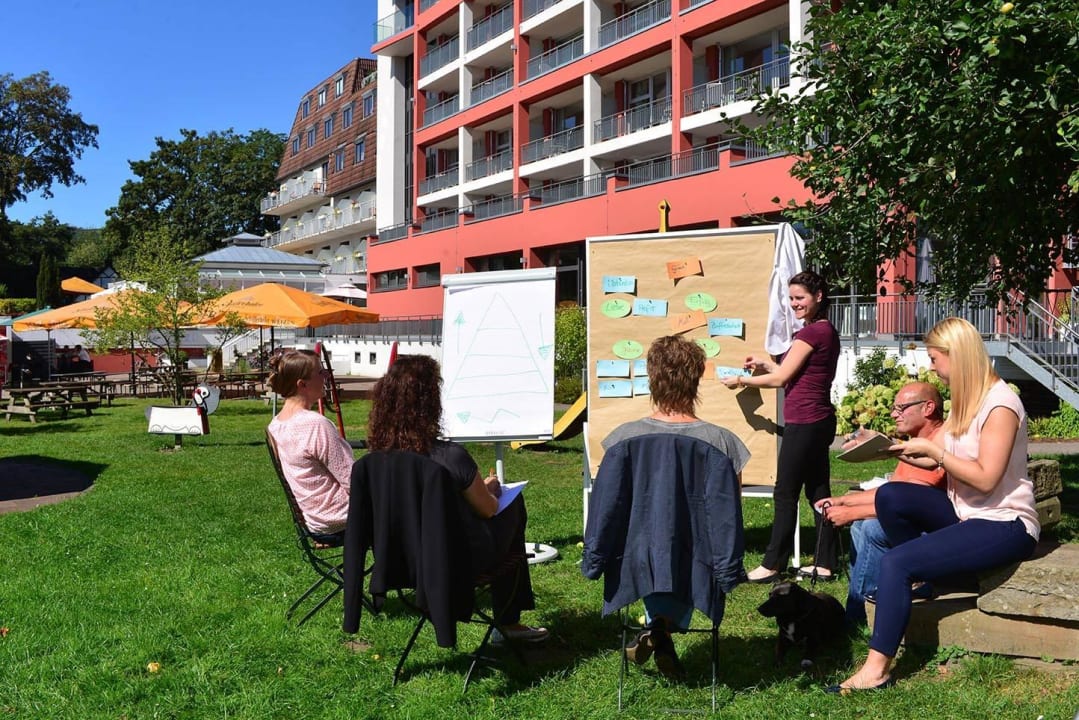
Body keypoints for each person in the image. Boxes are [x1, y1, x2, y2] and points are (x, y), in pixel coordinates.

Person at [829, 317, 1039, 693]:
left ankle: (876, 671)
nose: (931, 367)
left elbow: (986, 477)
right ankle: (930, 578)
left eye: (934, 358)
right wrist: (898, 450)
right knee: (891, 496)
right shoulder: (968, 401)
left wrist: (935, 452)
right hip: (965, 514)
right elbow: (944, 460)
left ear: (957, 357)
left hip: (1004, 523)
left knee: (897, 561)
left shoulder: (1001, 405)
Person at [593, 335, 750, 676]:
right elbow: (729, 512)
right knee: (678, 554)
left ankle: (658, 627)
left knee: (658, 553)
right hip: (699, 556)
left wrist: (596, 556)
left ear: (652, 378)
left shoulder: (621, 439)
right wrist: (728, 568)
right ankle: (662, 629)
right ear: (696, 380)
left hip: (637, 556)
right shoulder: (722, 442)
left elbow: (605, 508)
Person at [365, 354, 547, 643]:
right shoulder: (450, 458)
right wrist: (490, 489)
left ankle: (509, 622)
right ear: (430, 402)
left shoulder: (375, 460)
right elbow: (488, 510)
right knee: (512, 508)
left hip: (399, 560)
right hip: (455, 560)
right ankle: (509, 622)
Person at [720, 270, 840, 581]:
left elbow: (781, 379)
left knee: (785, 492)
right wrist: (766, 364)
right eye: (790, 298)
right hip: (818, 420)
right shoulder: (824, 331)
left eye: (799, 298)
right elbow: (793, 373)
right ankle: (826, 563)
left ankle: (772, 564)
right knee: (818, 491)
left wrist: (741, 379)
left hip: (805, 422)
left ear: (818, 297)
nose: (794, 304)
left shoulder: (811, 334)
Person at [819, 382, 946, 626]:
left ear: (928, 408)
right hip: (915, 523)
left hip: (941, 532)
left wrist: (851, 513)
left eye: (901, 408)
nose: (893, 414)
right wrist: (843, 501)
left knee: (871, 528)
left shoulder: (935, 444)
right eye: (894, 408)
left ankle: (858, 615)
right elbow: (892, 492)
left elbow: (907, 502)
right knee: (863, 525)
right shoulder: (915, 442)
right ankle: (866, 605)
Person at [266, 349, 353, 537]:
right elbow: (352, 480)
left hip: (315, 520)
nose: (327, 376)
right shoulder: (315, 425)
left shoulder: (276, 425)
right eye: (321, 372)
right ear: (302, 384)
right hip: (341, 517)